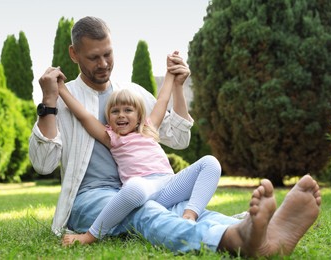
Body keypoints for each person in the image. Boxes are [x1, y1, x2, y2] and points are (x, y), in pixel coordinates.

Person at [29, 16, 321, 257]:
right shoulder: (63, 101)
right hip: (92, 198)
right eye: (94, 58)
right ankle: (232, 238)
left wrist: (178, 86)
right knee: (143, 209)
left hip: (151, 186)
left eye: (108, 54)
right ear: (74, 54)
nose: (104, 64)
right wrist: (50, 102)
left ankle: (261, 234)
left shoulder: (131, 94)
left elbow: (178, 139)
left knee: (179, 208)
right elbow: (43, 165)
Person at [57, 51, 221, 245]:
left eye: (128, 110)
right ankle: (91, 235)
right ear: (109, 118)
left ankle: (190, 215)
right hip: (144, 188)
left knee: (210, 163)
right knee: (133, 187)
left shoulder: (149, 129)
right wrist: (61, 89)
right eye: (115, 111)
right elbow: (85, 116)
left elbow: (162, 100)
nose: (121, 115)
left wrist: (170, 74)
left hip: (168, 184)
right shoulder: (112, 137)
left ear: (139, 115)